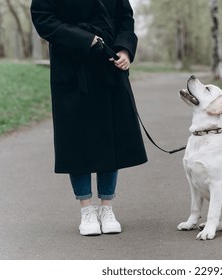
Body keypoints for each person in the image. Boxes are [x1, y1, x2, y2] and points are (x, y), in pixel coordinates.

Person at [30, 0, 148, 236]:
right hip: (71, 69)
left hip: (109, 65)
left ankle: (107, 207)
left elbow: (125, 18)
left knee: (110, 137)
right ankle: (86, 209)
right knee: (77, 140)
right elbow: (43, 19)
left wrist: (125, 49)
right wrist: (84, 39)